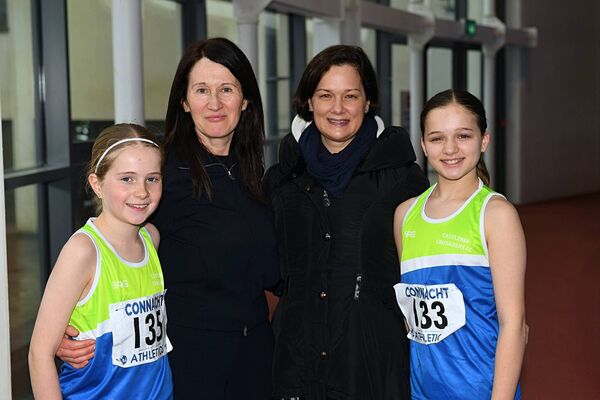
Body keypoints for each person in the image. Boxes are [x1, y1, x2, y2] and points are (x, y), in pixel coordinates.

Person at [56, 38, 279, 399]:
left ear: (246, 100)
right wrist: (68, 325)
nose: (215, 103)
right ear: (184, 102)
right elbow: (108, 248)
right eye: (202, 90)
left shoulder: (255, 174)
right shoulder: (162, 175)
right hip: (190, 364)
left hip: (254, 357)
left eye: (227, 89)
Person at [263, 45, 429, 400]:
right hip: (297, 365)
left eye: (350, 96)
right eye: (325, 95)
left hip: (368, 366)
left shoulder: (403, 180)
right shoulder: (282, 179)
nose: (337, 109)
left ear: (368, 102)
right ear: (309, 102)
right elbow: (273, 271)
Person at [393, 89, 527, 399]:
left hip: (481, 390)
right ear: (424, 145)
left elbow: (514, 326)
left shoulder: (496, 215)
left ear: (484, 140)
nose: (450, 149)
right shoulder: (405, 216)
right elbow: (413, 320)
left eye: (463, 136)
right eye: (437, 138)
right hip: (421, 391)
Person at [29, 124, 172, 399]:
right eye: (127, 179)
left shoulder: (150, 239)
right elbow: (39, 354)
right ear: (97, 184)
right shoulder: (83, 251)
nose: (142, 191)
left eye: (152, 178)